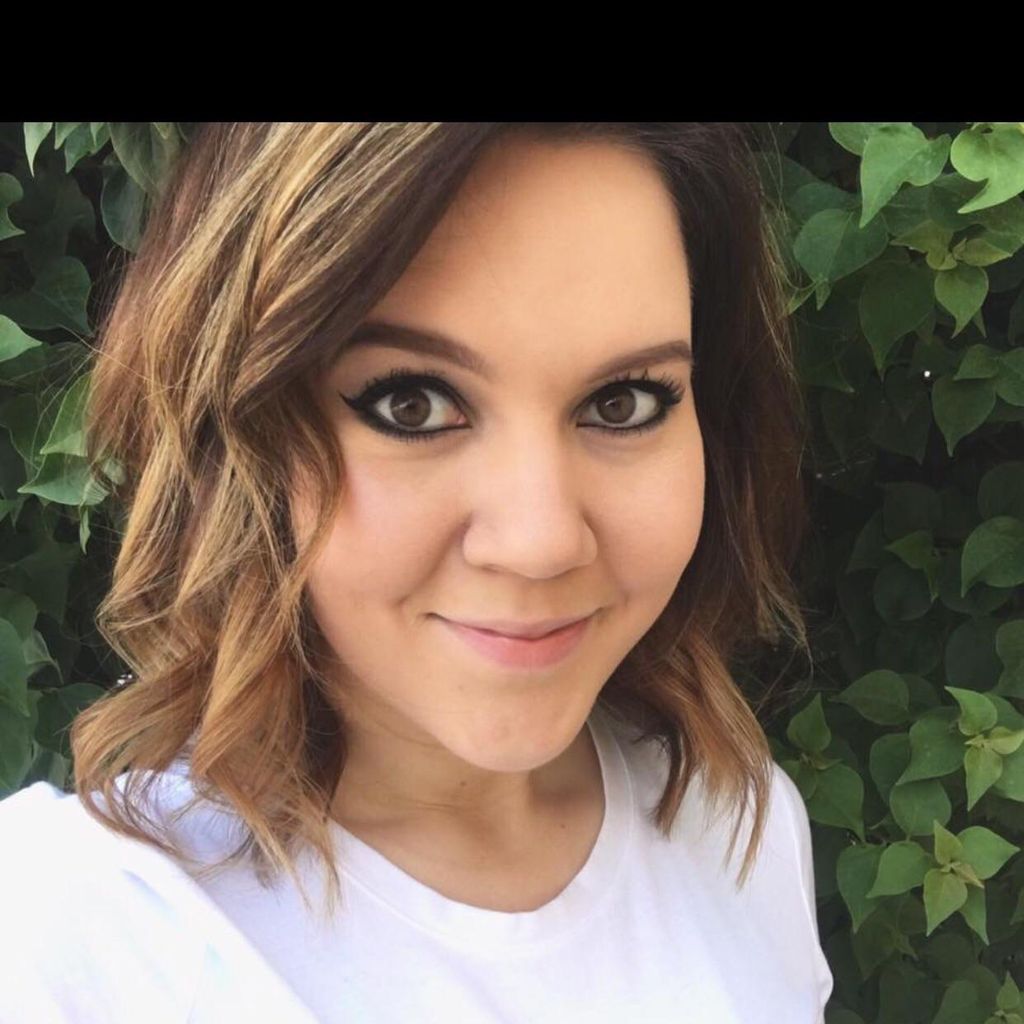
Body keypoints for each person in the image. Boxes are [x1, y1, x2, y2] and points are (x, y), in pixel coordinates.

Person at [0, 123, 834, 1022]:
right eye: (412, 404)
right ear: (237, 436)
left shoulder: (734, 821)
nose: (540, 542)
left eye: (623, 402)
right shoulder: (66, 939)